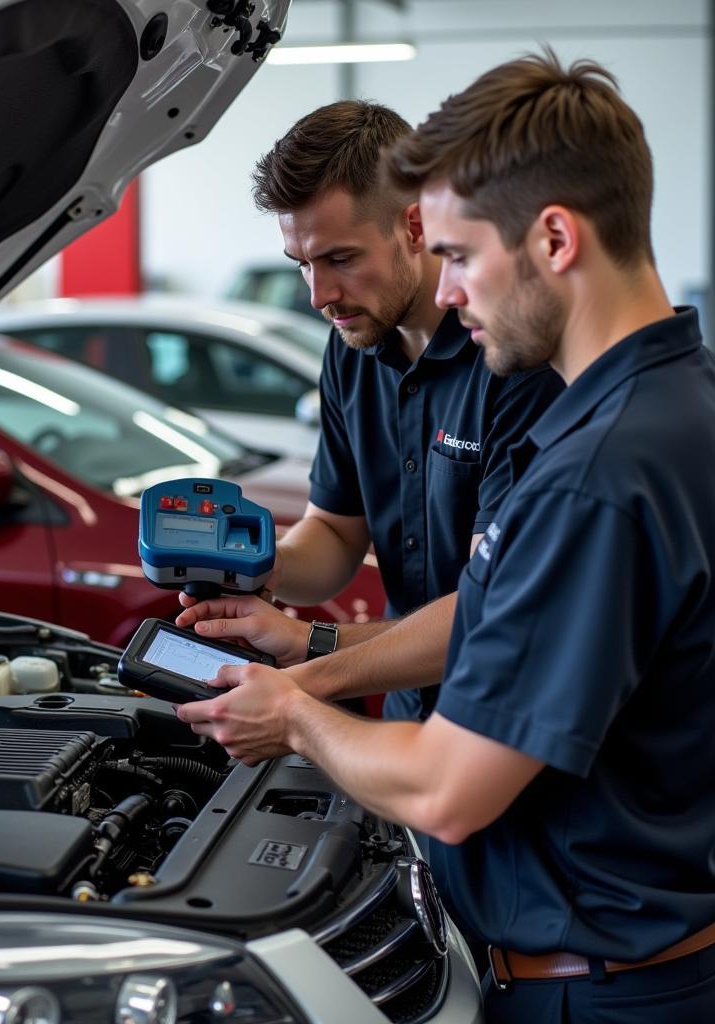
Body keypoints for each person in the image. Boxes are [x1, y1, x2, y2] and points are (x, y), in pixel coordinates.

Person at [177, 51, 715, 1023]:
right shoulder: (667, 406)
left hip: (593, 987)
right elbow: (352, 546)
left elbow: (450, 788)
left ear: (551, 239)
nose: (452, 292)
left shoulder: (594, 473)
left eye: (459, 255)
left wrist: (297, 702)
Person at [179, 100, 562, 722]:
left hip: (510, 722)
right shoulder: (351, 347)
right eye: (302, 263)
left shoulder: (516, 358)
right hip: (409, 712)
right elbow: (334, 533)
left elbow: (492, 606)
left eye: (340, 258)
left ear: (414, 226)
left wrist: (311, 650)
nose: (318, 295)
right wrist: (253, 564)